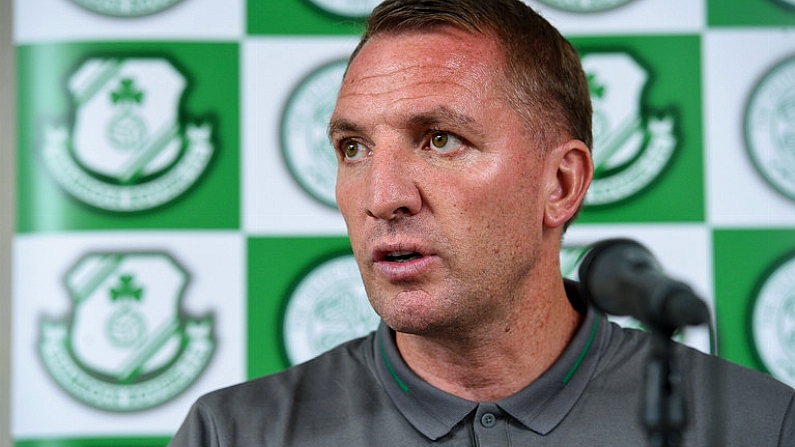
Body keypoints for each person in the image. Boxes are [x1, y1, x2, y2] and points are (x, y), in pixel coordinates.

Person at [169, 0, 795, 445]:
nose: (382, 197)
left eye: (440, 139)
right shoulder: (235, 433)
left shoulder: (757, 426)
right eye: (353, 148)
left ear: (561, 184)